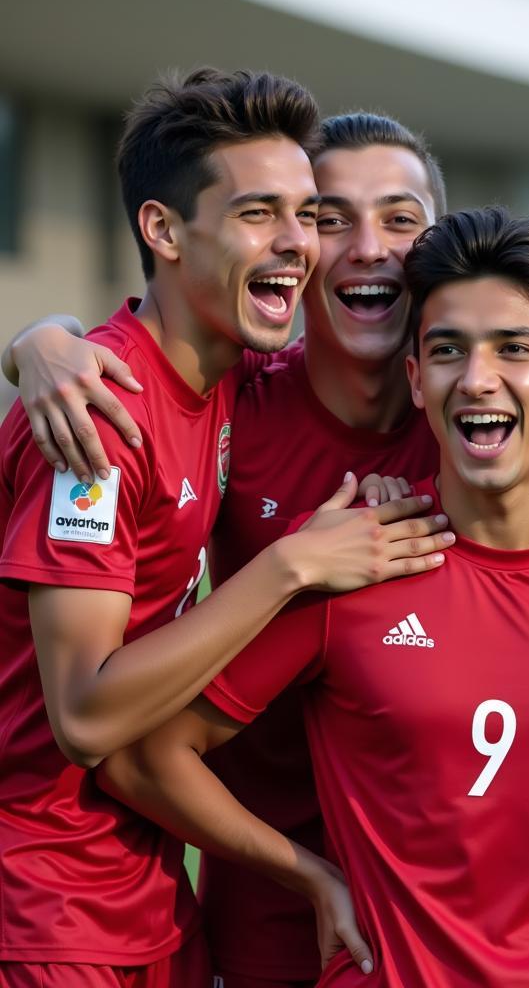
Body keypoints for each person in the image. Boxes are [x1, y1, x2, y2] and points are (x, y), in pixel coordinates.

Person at [99, 208, 529, 988]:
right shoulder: (351, 560)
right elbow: (144, 756)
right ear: (416, 380)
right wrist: (309, 874)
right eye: (448, 350)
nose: (477, 378)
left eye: (515, 349)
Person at [0, 71, 450, 986]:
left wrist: (33, 337)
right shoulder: (99, 416)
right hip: (46, 901)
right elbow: (83, 717)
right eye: (262, 215)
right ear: (164, 231)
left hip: (150, 893)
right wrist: (291, 567)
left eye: (301, 214)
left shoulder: (231, 379)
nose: (300, 245)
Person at [201, 112, 444, 988]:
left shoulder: (492, 419)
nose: (368, 248)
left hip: (436, 890)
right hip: (263, 876)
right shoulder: (235, 399)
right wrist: (40, 345)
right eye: (332, 219)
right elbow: (123, 358)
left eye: (401, 219)